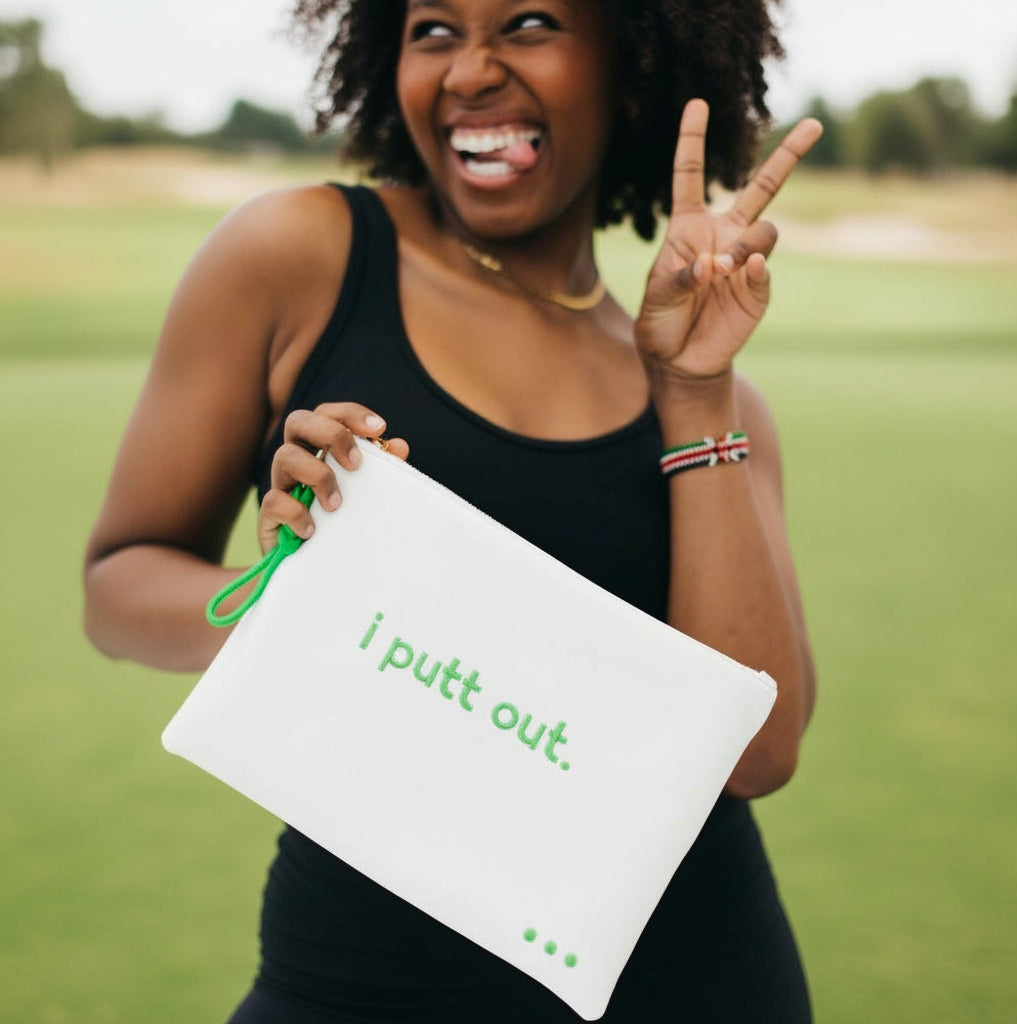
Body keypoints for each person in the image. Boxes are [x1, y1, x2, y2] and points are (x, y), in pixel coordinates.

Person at [84, 0, 821, 1019]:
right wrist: (281, 596)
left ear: (631, 66)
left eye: (526, 23)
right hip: (358, 983)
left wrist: (694, 397)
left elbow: (757, 755)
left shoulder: (716, 401)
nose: (469, 71)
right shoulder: (298, 257)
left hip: (696, 976)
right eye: (431, 27)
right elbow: (119, 581)